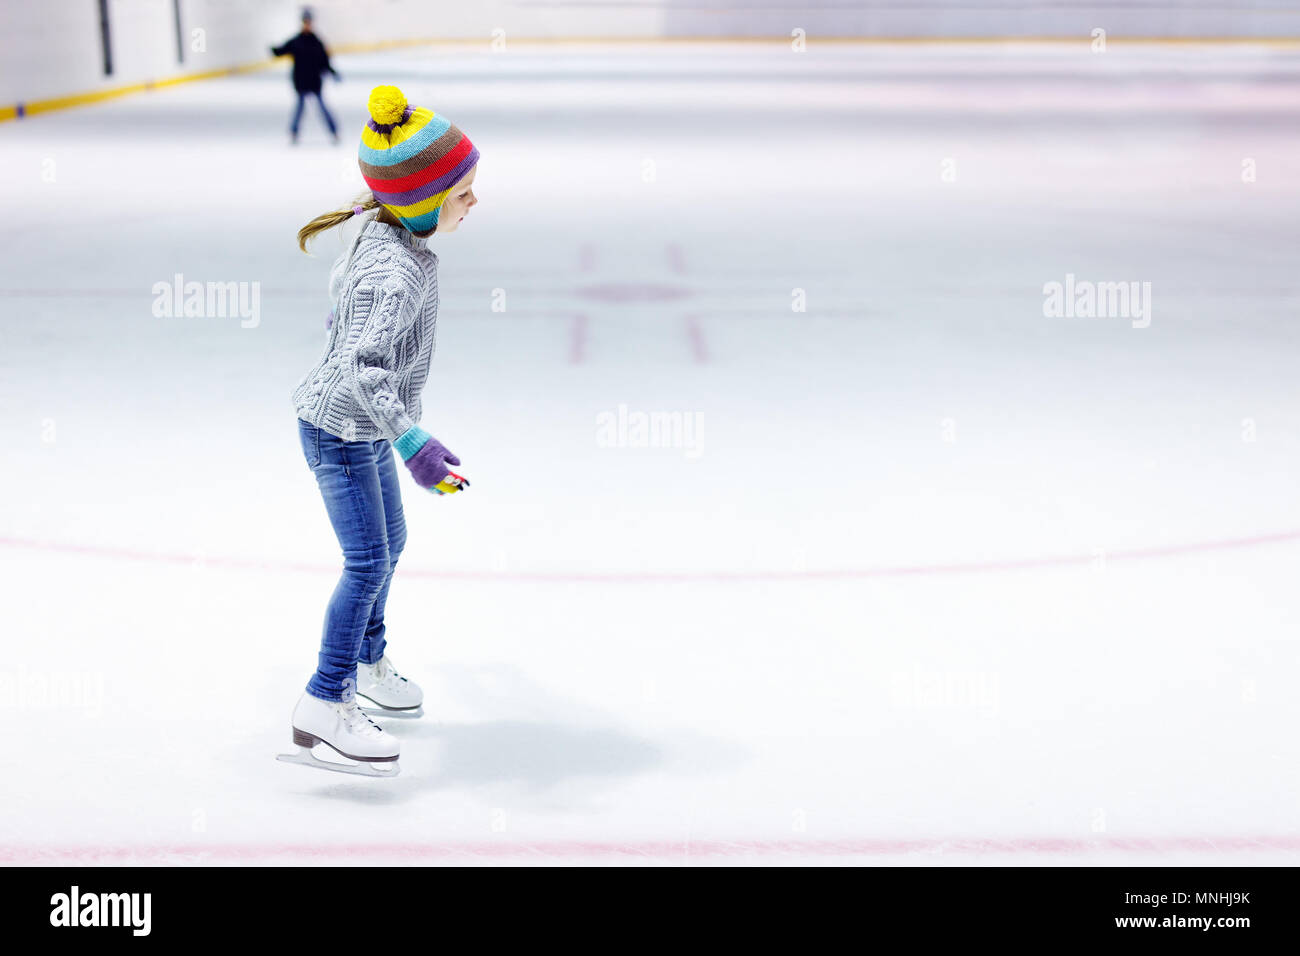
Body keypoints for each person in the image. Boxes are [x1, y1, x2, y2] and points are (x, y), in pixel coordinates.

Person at [280, 84, 480, 776]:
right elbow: (365, 368)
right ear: (422, 204)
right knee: (367, 558)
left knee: (390, 542)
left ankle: (367, 661)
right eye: (462, 195)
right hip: (339, 430)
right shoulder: (397, 268)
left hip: (357, 426)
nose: (473, 203)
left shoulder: (391, 228)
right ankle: (323, 700)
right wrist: (413, 444)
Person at [271, 9, 340, 144]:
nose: (307, 25)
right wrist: (274, 50)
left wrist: (332, 72)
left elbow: (324, 62)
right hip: (301, 82)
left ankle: (334, 131)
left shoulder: (317, 42)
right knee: (299, 109)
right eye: (305, 22)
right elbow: (282, 50)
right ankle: (294, 132)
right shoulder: (296, 41)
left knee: (322, 108)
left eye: (308, 22)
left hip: (314, 82)